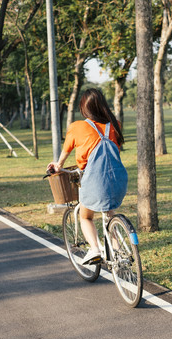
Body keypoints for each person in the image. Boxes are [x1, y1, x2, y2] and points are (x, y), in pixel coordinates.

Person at [46, 88, 126, 265]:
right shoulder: (115, 125)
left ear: (84, 108)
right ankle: (119, 252)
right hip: (118, 179)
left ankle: (95, 249)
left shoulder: (77, 127)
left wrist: (57, 166)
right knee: (109, 213)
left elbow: (63, 157)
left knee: (86, 216)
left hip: (94, 180)